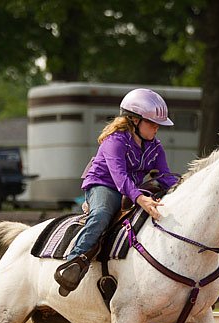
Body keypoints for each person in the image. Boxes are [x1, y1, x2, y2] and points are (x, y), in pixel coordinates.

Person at [54, 88, 178, 296]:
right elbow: (119, 178)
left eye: (159, 124)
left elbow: (166, 177)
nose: (157, 128)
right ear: (134, 120)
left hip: (131, 189)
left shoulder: (156, 147)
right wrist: (141, 199)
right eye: (152, 123)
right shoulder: (115, 141)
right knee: (102, 214)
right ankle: (73, 261)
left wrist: (182, 188)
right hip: (103, 185)